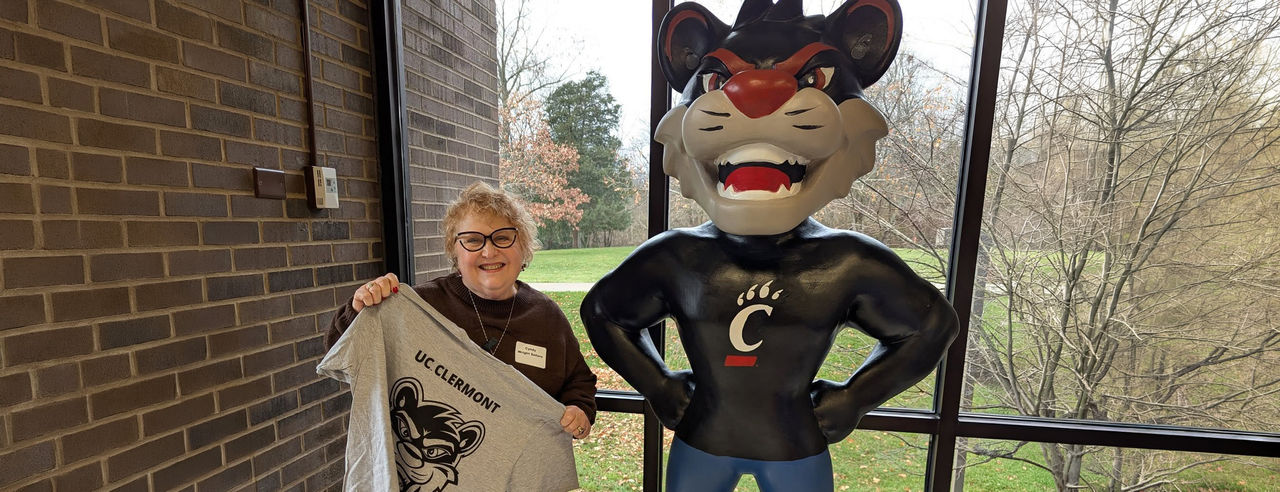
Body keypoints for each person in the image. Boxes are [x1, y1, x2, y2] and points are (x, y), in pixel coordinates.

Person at [326, 181, 597, 440]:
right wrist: (360, 307)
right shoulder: (420, 307)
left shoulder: (546, 317)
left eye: (503, 238)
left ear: (523, 247)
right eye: (472, 240)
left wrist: (579, 410)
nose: (489, 251)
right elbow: (343, 351)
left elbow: (579, 381)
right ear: (455, 252)